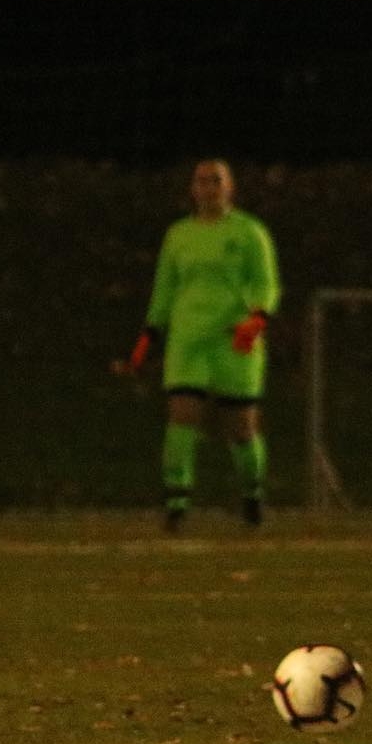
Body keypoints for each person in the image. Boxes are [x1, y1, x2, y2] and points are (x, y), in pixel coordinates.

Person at [128, 158, 282, 530]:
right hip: (188, 339)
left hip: (234, 339)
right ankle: (177, 503)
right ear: (192, 189)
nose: (208, 187)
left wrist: (257, 318)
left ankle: (252, 495)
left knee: (241, 427)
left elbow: (266, 283)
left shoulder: (249, 232)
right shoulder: (179, 235)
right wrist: (149, 334)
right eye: (201, 181)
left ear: (230, 188)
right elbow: (165, 287)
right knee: (182, 416)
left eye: (216, 181)